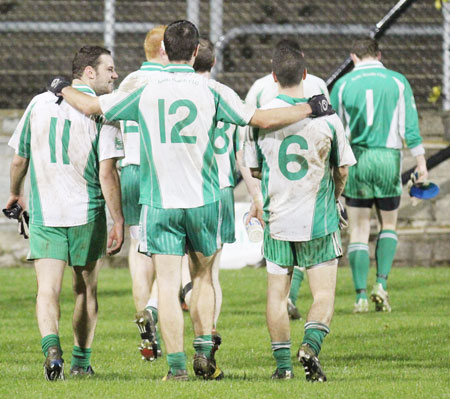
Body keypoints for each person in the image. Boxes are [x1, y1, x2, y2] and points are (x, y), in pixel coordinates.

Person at [47, 20, 334, 381]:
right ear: (196, 51)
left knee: (167, 285)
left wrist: (61, 87)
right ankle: (203, 351)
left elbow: (91, 107)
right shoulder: (212, 90)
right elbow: (260, 118)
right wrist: (310, 108)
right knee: (203, 278)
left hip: (160, 202)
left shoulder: (145, 91)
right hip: (204, 201)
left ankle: (177, 369)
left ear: (165, 51)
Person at [5, 46, 124, 381]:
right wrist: (118, 220)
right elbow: (107, 174)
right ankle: (81, 362)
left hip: (46, 213)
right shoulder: (104, 111)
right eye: (109, 69)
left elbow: (19, 160)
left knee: (47, 290)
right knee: (85, 290)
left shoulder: (38, 103)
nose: (115, 75)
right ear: (89, 72)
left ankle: (51, 348)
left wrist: (15, 192)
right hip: (86, 213)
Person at [244, 40, 356, 381]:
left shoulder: (261, 119)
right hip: (318, 220)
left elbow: (255, 169)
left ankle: (283, 369)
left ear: (273, 77)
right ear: (306, 75)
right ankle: (310, 345)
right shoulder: (327, 118)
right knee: (323, 292)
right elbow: (343, 169)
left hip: (277, 219)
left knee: (277, 295)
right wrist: (336, 197)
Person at [330, 37, 428, 313]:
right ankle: (381, 286)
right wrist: (420, 161)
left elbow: (333, 128)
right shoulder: (398, 82)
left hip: (357, 158)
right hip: (387, 158)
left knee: (359, 229)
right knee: (389, 224)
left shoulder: (343, 84)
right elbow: (410, 127)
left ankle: (360, 296)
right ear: (379, 54)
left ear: (354, 56)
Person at [245, 39, 332, 321]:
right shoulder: (318, 86)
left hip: (277, 198)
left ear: (274, 73)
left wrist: (256, 198)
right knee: (317, 273)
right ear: (304, 69)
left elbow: (248, 143)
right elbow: (331, 135)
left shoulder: (259, 89)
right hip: (313, 194)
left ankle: (283, 362)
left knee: (277, 284)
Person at [191, 38, 262, 344]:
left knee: (185, 273)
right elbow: (240, 154)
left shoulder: (175, 94)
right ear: (214, 63)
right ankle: (210, 330)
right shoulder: (226, 96)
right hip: (218, 189)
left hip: (182, 190)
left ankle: (186, 338)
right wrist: (255, 194)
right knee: (209, 273)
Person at [118, 25, 168, 361]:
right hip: (158, 171)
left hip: (128, 169)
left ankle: (145, 331)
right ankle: (152, 307)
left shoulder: (127, 82)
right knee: (168, 250)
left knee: (138, 248)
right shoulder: (169, 82)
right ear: (166, 50)